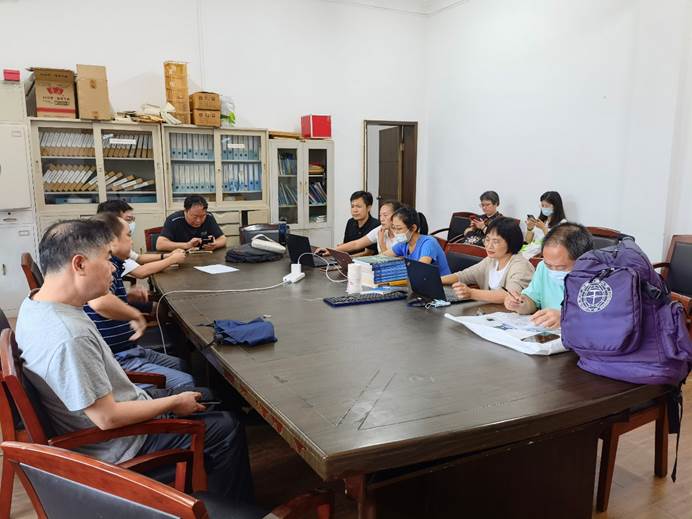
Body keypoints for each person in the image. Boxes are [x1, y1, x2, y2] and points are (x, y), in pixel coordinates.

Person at [15, 219, 253, 501]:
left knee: (209, 396)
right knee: (227, 426)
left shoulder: (34, 303)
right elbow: (107, 418)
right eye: (107, 259)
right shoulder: (70, 336)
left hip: (114, 414)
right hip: (119, 444)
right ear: (79, 264)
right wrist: (173, 403)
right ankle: (226, 508)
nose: (114, 268)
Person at [85, 212, 195, 391]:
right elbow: (99, 303)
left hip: (130, 349)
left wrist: (126, 298)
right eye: (128, 236)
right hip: (119, 358)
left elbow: (104, 300)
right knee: (186, 381)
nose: (132, 241)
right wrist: (135, 315)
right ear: (111, 241)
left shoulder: (115, 263)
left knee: (183, 365)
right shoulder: (104, 268)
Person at [504, 222, 593, 329]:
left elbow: (603, 320)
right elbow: (533, 301)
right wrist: (520, 303)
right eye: (549, 265)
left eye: (560, 267)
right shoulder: (543, 267)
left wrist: (565, 317)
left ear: (584, 260)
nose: (553, 271)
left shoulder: (601, 278)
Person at [441, 217, 534, 303]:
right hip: (491, 312)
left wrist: (472, 293)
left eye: (495, 241)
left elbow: (511, 295)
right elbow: (463, 275)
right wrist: (438, 280)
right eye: (487, 239)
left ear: (511, 242)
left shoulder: (521, 265)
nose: (489, 246)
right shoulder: (491, 260)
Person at [97, 200, 187, 278]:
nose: (132, 223)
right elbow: (141, 272)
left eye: (133, 219)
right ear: (113, 222)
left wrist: (168, 256)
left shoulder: (110, 243)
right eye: (128, 219)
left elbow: (138, 258)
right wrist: (171, 260)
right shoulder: (109, 251)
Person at [383, 206, 452, 276]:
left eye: (399, 228)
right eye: (394, 228)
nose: (395, 232)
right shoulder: (404, 243)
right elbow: (382, 257)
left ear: (413, 228)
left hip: (441, 282)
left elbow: (419, 270)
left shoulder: (429, 243)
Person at [327, 200, 402, 255]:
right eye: (380, 215)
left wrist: (381, 242)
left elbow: (391, 261)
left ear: (396, 216)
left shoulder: (402, 235)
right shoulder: (380, 229)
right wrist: (331, 250)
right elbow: (356, 244)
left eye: (385, 215)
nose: (381, 219)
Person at [156, 195, 227, 252]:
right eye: (195, 216)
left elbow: (223, 239)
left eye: (202, 216)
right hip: (180, 258)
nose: (198, 221)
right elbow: (160, 245)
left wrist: (215, 244)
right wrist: (187, 245)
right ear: (185, 211)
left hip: (204, 258)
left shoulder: (209, 217)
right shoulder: (173, 220)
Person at [522, 191, 567, 258]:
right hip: (530, 251)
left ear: (556, 206)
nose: (544, 208)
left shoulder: (562, 223)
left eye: (547, 206)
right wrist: (529, 228)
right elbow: (528, 241)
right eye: (542, 205)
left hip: (544, 254)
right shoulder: (541, 220)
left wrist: (544, 228)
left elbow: (555, 244)